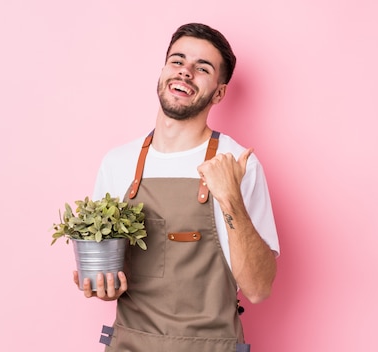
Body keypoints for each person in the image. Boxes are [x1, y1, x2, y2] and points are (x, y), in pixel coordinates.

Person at [72, 23, 280, 352]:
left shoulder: (238, 164)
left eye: (202, 68)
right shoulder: (117, 162)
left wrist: (229, 198)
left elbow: (258, 288)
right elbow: (102, 269)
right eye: (178, 61)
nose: (185, 73)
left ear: (219, 92)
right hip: (131, 344)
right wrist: (103, 283)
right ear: (163, 71)